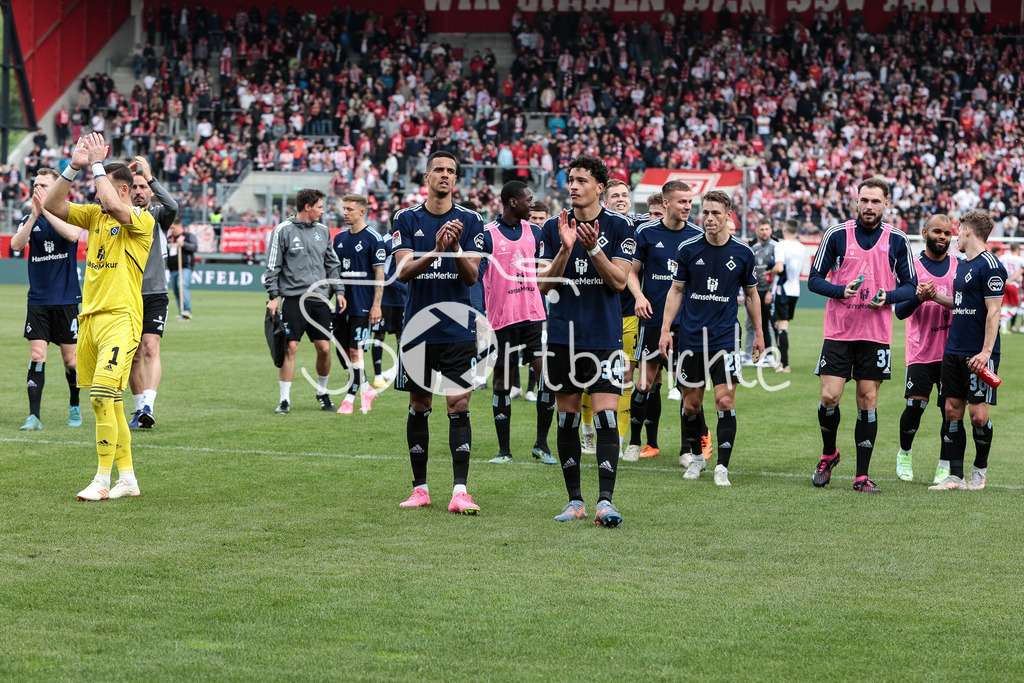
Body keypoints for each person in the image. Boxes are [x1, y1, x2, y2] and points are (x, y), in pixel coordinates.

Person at [44, 132, 154, 500]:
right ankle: (128, 479)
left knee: (102, 395)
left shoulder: (140, 219)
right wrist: (73, 167)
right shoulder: (94, 216)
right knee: (109, 401)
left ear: (122, 189)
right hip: (90, 318)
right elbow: (52, 203)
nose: (96, 196)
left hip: (121, 318)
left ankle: (102, 480)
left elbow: (115, 205)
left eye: (102, 186)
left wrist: (96, 165)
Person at [539, 154, 634, 527]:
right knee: (567, 420)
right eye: (571, 180)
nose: (574, 186)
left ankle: (605, 502)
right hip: (563, 337)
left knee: (606, 417)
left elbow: (619, 282)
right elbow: (544, 286)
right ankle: (574, 501)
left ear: (599, 187)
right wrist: (565, 248)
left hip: (604, 337)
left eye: (581, 180)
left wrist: (594, 248)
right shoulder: (553, 227)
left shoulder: (621, 227)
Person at [808, 178, 917, 494]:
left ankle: (861, 476)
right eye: (864, 200)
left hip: (875, 334)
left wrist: (888, 297)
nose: (869, 206)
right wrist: (841, 290)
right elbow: (814, 279)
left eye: (875, 201)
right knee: (829, 397)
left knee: (867, 400)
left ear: (886, 203)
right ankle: (829, 454)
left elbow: (910, 286)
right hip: (839, 332)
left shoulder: (897, 239)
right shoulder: (836, 234)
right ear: (856, 201)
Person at [393, 151, 485, 515]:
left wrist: (456, 248)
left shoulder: (471, 220)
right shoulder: (406, 218)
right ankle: (420, 489)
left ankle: (460, 491)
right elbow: (403, 272)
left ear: (455, 179)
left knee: (458, 404)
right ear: (427, 177)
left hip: (458, 329)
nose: (445, 175)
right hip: (419, 329)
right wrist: (436, 250)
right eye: (439, 170)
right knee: (420, 405)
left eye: (450, 171)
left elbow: (472, 277)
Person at [659, 190, 764, 486]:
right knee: (691, 404)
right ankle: (696, 459)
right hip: (692, 338)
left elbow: (751, 295)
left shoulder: (743, 252)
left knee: (725, 400)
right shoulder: (688, 249)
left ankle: (722, 467)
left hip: (726, 338)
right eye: (705, 212)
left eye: (715, 212)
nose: (709, 218)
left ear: (728, 215)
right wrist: (665, 329)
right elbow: (676, 291)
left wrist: (759, 333)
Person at [624, 180, 703, 462]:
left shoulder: (697, 235)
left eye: (690, 201)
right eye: (682, 201)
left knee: (687, 388)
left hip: (687, 324)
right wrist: (638, 296)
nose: (688, 206)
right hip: (652, 320)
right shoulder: (646, 232)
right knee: (644, 384)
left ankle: (686, 450)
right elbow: (632, 272)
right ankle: (634, 443)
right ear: (666, 203)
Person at [480, 181, 557, 465]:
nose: (531, 204)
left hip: (533, 315)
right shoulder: (487, 234)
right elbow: (476, 277)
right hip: (502, 320)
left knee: (546, 379)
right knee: (502, 383)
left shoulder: (534, 232)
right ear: (513, 202)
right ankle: (504, 451)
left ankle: (542, 445)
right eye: (528, 199)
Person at [929, 210, 1006, 491]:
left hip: (979, 352)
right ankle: (955, 476)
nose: (955, 236)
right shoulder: (962, 266)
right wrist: (935, 297)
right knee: (951, 410)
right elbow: (960, 303)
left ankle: (979, 471)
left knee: (978, 417)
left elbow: (994, 311)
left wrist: (986, 352)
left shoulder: (992, 266)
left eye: (958, 230)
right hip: (954, 349)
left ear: (968, 231)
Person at [11, 169, 82, 431]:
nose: (37, 189)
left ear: (56, 189)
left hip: (66, 299)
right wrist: (35, 215)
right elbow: (16, 245)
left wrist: (47, 211)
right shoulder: (29, 218)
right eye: (35, 185)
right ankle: (34, 416)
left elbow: (73, 235)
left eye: (43, 185)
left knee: (71, 361)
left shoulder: (70, 212)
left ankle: (74, 405)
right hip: (38, 300)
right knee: (37, 354)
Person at [264, 189, 346, 414]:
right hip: (293, 299)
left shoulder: (323, 231)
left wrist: (339, 290)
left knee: (324, 349)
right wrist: (273, 297)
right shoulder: (283, 230)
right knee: (290, 348)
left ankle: (322, 392)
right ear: (307, 207)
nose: (323, 211)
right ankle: (284, 400)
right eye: (319, 207)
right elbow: (272, 266)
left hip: (319, 299)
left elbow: (332, 263)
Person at [893, 215, 957, 483]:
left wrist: (937, 297)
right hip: (920, 350)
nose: (942, 237)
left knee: (950, 411)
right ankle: (905, 453)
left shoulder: (958, 266)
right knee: (915, 406)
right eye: (937, 231)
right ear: (924, 233)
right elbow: (900, 311)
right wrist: (919, 298)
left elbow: (964, 304)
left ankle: (944, 463)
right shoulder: (912, 267)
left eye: (947, 233)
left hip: (952, 352)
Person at [126, 155, 177, 428]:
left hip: (155, 292)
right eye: (134, 187)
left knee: (150, 348)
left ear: (150, 190)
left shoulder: (158, 215)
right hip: (128, 292)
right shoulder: (122, 214)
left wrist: (149, 176)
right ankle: (138, 411)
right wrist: (119, 182)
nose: (138, 191)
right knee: (133, 354)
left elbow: (173, 205)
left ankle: (148, 405)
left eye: (143, 187)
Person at [332, 193, 385, 414]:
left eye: (349, 209)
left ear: (362, 212)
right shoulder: (339, 238)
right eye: (344, 209)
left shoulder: (374, 238)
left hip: (363, 305)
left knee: (356, 352)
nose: (345, 213)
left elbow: (379, 273)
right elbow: (334, 272)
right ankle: (366, 388)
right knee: (344, 352)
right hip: (342, 305)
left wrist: (376, 305)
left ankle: (349, 399)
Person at [372, 225, 407, 388]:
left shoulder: (406, 241)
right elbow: (381, 273)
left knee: (402, 335)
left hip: (402, 300)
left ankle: (399, 370)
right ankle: (377, 375)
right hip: (385, 299)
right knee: (379, 334)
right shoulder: (385, 242)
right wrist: (400, 286)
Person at [771, 220, 805, 373]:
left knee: (781, 326)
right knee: (780, 325)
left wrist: (769, 271)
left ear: (784, 229)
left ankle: (785, 364)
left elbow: (779, 267)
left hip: (782, 290)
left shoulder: (781, 245)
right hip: (795, 290)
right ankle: (780, 361)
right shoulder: (801, 247)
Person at [745, 220, 780, 363]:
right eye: (762, 229)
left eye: (767, 229)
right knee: (751, 324)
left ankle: (771, 355)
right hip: (754, 290)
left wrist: (771, 291)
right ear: (757, 231)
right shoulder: (753, 248)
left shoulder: (776, 247)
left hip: (769, 291)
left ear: (771, 230)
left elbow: (779, 271)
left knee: (770, 324)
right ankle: (749, 356)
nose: (764, 232)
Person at [167, 221, 196, 320]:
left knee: (182, 285)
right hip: (173, 269)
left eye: (173, 228)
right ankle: (182, 312)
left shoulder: (188, 236)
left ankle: (187, 310)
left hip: (184, 267)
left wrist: (184, 244)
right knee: (176, 291)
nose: (171, 230)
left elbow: (194, 247)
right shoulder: (170, 238)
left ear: (179, 226)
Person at [998, 243, 1022, 332]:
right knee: (1016, 306)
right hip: (1013, 284)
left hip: (1004, 284)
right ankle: (1003, 322)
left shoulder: (1004, 257)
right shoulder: (1020, 259)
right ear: (1018, 249)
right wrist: (1011, 279)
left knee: (1004, 305)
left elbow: (997, 266)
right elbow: (1020, 271)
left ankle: (1003, 327)